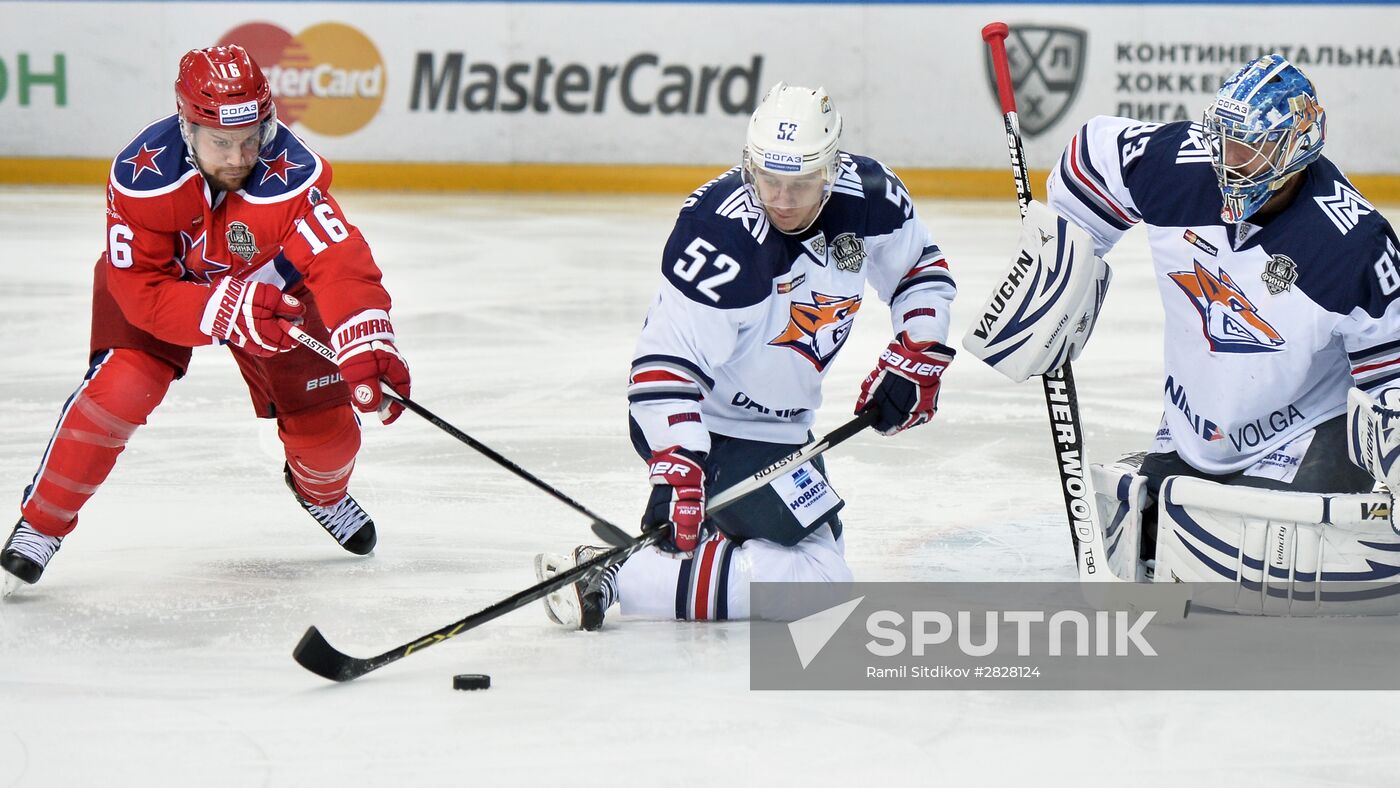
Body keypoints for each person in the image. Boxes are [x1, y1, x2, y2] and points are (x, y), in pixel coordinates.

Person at [534, 82, 957, 629]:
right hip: (711, 426)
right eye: (768, 180)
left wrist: (917, 350)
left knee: (818, 554)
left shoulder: (868, 196)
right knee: (819, 585)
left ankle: (668, 555)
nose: (781, 199)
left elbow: (919, 270)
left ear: (831, 170)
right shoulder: (721, 235)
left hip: (785, 433)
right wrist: (681, 464)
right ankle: (611, 575)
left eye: (801, 183)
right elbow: (665, 363)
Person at [0, 45, 412, 592]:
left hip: (272, 292)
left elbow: (339, 258)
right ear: (186, 125)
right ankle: (42, 525)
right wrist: (219, 308)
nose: (240, 157)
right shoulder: (141, 176)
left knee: (329, 438)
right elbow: (141, 289)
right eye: (221, 142)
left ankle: (322, 493)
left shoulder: (292, 174)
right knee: (122, 390)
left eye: (251, 138)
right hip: (165, 289)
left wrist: (366, 338)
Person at [984, 53, 1400, 577]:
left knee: (1256, 555)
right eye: (1222, 140)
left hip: (1304, 428)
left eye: (1247, 149)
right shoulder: (1181, 167)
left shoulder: (1352, 245)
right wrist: (1064, 266)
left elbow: (1391, 374)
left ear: (1293, 151)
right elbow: (1092, 154)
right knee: (1150, 540)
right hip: (1194, 425)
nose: (1226, 161)